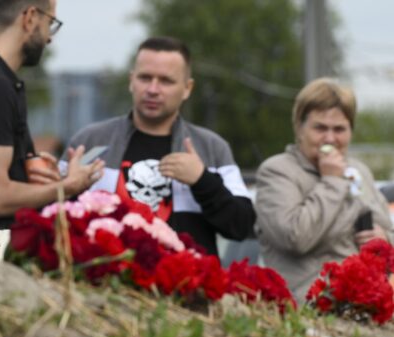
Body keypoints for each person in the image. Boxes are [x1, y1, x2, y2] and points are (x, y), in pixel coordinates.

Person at [68, 36, 255, 256]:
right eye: (145, 78)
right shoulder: (90, 142)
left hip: (185, 286)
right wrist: (67, 189)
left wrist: (202, 181)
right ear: (131, 81)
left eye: (166, 81)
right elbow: (51, 218)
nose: (153, 89)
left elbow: (241, 227)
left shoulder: (212, 148)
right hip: (102, 284)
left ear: (187, 88)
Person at [0, 0, 104, 234]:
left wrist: (27, 171)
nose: (49, 37)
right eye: (50, 23)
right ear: (30, 17)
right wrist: (68, 186)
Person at [255, 78, 393, 303]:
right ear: (299, 128)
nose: (330, 138)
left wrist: (382, 238)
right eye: (320, 128)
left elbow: (388, 235)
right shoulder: (277, 172)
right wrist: (332, 182)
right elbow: (295, 237)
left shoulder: (359, 171)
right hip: (309, 314)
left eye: (339, 129)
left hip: (364, 313)